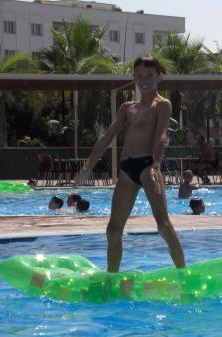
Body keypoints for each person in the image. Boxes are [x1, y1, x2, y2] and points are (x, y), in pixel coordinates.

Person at [76, 56, 186, 273]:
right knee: (113, 230)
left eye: (150, 76)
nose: (144, 80)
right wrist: (87, 167)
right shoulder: (128, 108)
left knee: (163, 225)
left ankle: (184, 273)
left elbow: (162, 136)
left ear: (159, 77)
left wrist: (155, 165)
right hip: (127, 169)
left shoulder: (162, 105)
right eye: (140, 75)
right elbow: (107, 137)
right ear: (133, 77)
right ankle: (111, 278)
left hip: (148, 167)